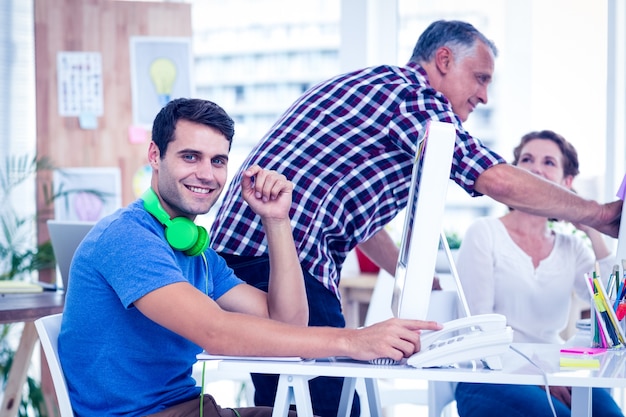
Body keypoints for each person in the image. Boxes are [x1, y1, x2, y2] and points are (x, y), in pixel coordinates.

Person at [209, 19, 623, 417]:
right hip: (272, 253)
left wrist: (424, 281)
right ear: (443, 60)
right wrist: (603, 214)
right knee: (327, 403)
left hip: (259, 251)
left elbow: (361, 224)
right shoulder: (410, 94)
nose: (484, 96)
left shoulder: (386, 96)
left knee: (310, 398)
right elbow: (492, 177)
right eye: (479, 78)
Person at [57, 98, 442, 417]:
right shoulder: (127, 237)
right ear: (155, 156)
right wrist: (353, 341)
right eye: (190, 157)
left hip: (193, 409)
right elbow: (216, 332)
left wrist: (277, 221)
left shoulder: (196, 250)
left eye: (218, 160)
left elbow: (289, 321)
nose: (206, 174)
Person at [454, 130, 624, 417]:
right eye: (527, 160)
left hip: (557, 373)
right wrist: (535, 376)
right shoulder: (484, 233)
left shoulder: (571, 247)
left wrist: (592, 228)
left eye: (549, 162)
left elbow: (613, 308)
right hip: (489, 377)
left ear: (567, 183)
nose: (535, 168)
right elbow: (476, 333)